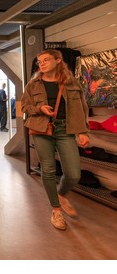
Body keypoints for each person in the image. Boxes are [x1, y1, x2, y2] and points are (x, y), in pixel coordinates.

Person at [21, 49, 90, 231]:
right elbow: (24, 106)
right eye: (39, 61)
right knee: (49, 169)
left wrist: (83, 131)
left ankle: (61, 194)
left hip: (65, 129)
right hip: (42, 128)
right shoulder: (33, 84)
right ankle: (56, 209)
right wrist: (39, 108)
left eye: (45, 60)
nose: (41, 64)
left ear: (58, 60)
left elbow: (81, 108)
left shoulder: (71, 82)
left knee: (74, 173)